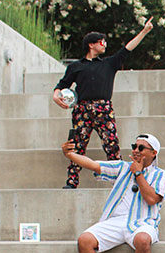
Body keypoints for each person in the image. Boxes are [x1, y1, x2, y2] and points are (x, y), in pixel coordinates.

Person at [61, 133, 165, 253]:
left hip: (143, 222)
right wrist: (70, 155)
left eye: (141, 148)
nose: (136, 150)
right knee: (85, 240)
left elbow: (151, 199)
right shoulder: (122, 167)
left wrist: (139, 174)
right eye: (134, 146)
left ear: (153, 152)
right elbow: (94, 165)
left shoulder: (162, 175)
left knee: (143, 240)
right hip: (115, 221)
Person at [53, 20, 154, 188]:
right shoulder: (76, 66)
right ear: (91, 45)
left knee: (112, 145)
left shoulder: (109, 63)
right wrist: (56, 95)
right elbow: (62, 85)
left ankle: (121, 181)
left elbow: (127, 49)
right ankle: (72, 182)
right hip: (82, 110)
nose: (105, 44)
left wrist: (144, 32)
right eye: (102, 42)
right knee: (77, 146)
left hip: (104, 109)